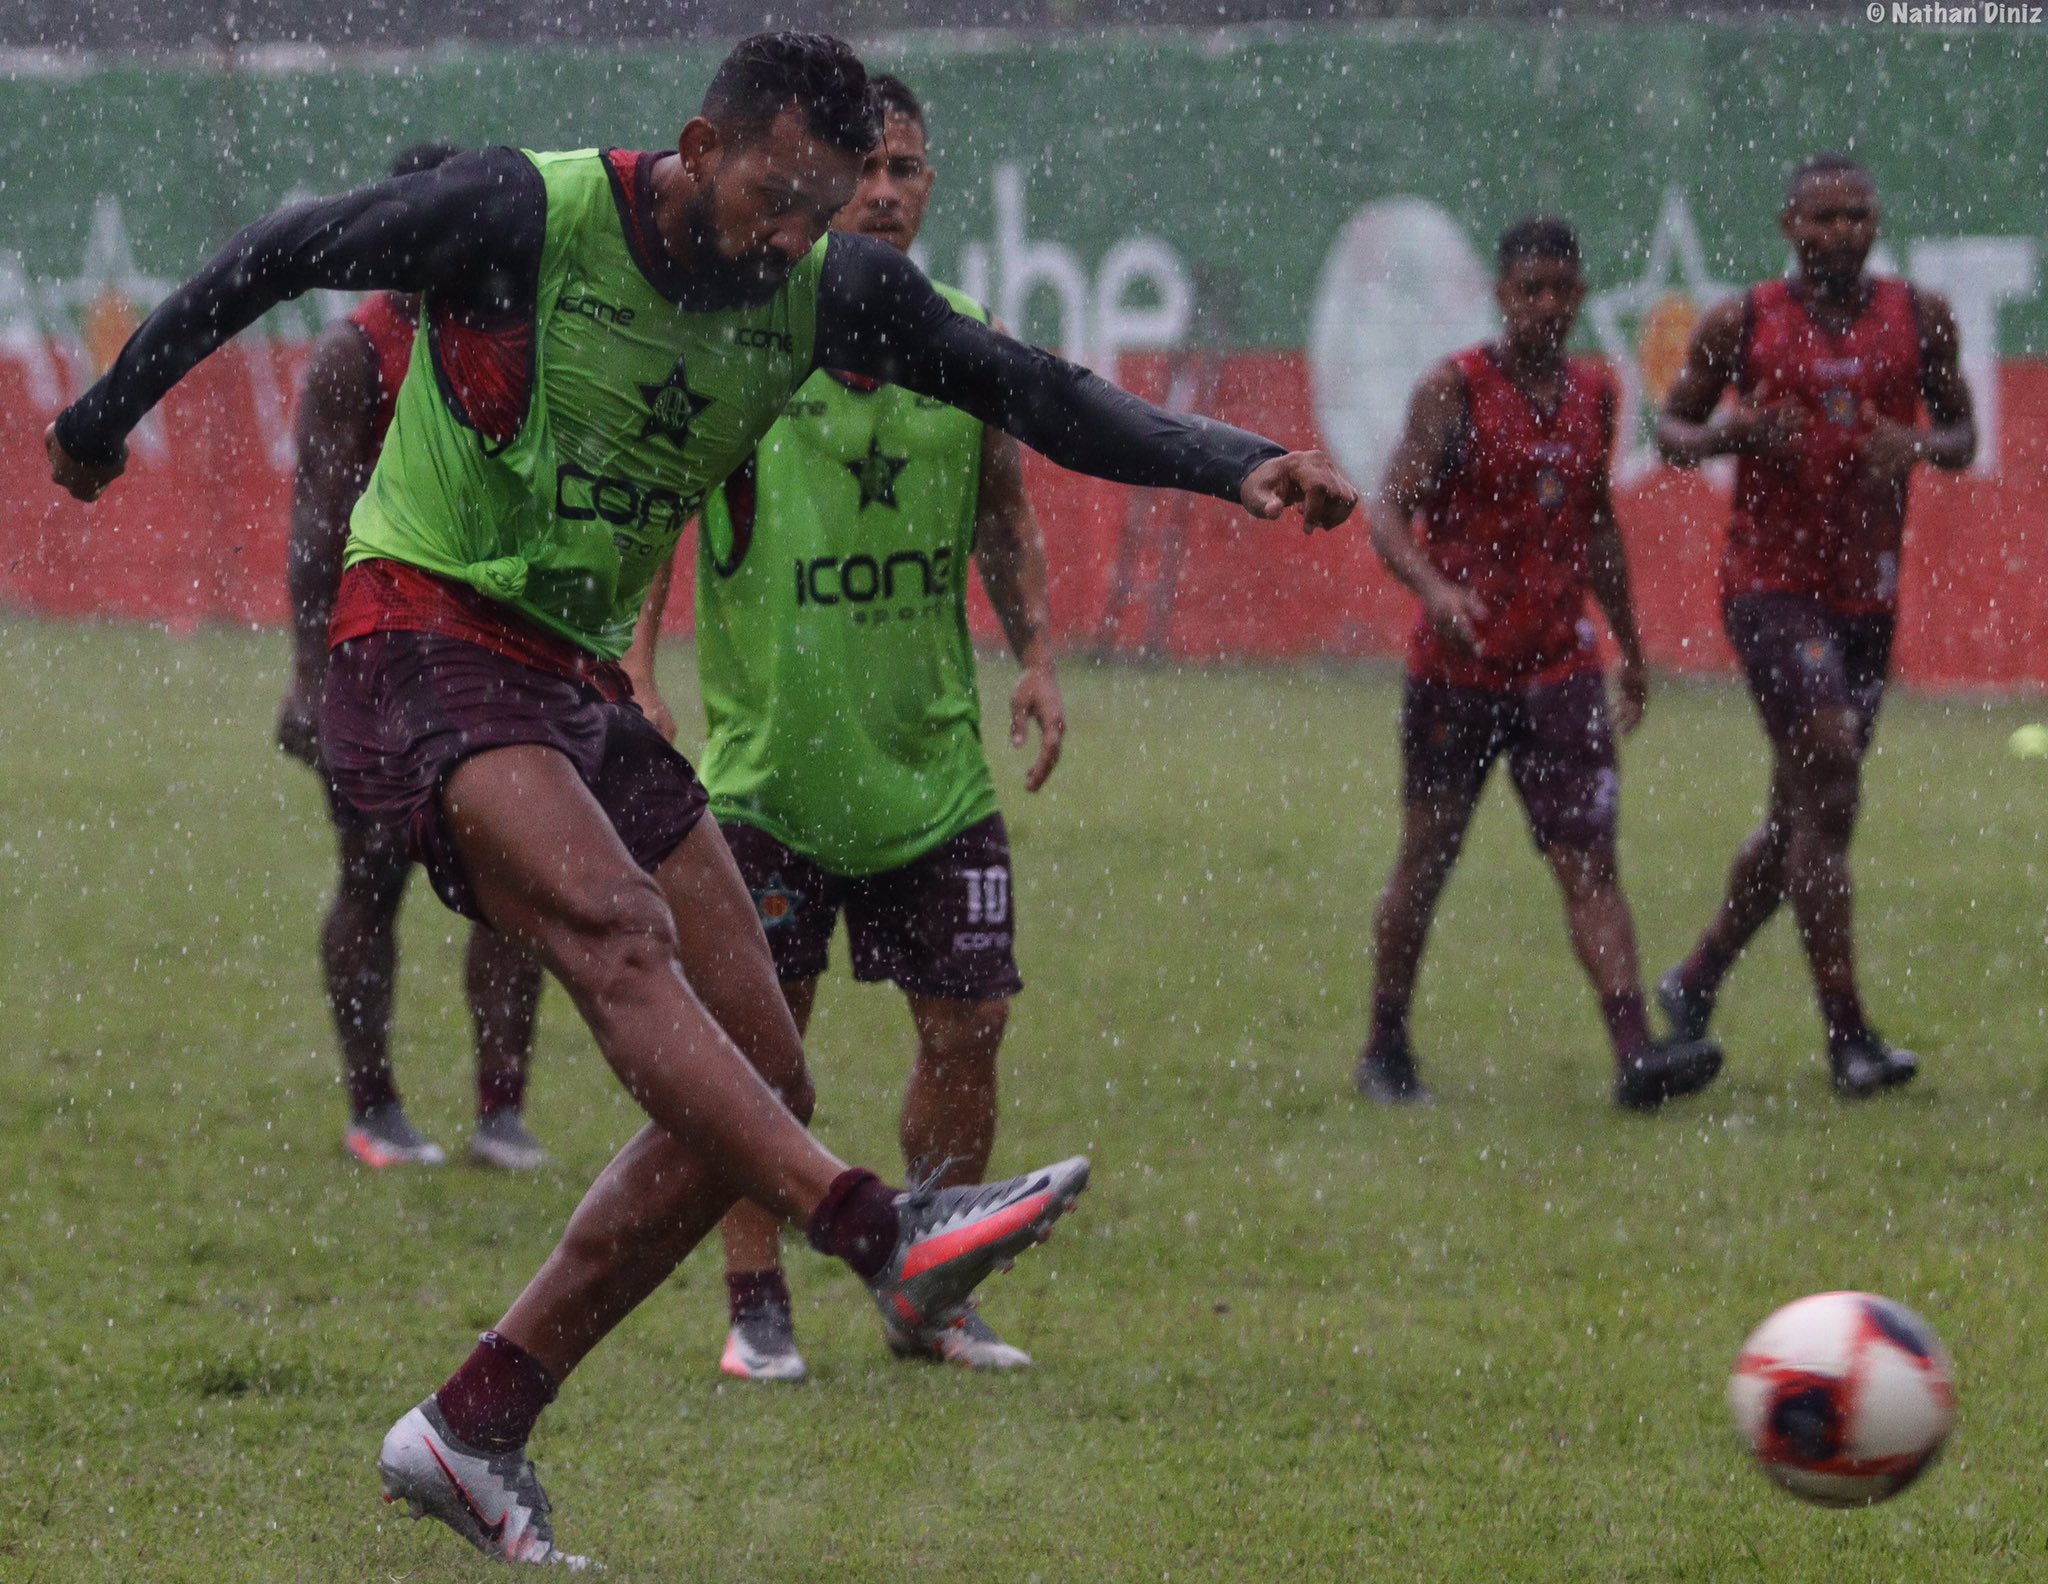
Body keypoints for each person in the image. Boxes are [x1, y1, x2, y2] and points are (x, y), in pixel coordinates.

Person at [46, 33, 1356, 1567]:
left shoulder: (832, 287)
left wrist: (1235, 460)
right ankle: (884, 1232)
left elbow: (1031, 389)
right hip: (418, 630)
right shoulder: (523, 215)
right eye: (777, 199)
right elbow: (285, 250)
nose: (796, 237)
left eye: (830, 204)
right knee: (613, 931)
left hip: (574, 678)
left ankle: (476, 1423)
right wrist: (102, 411)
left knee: (764, 1079)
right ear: (700, 146)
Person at [626, 74, 1065, 1379]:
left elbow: (1003, 508)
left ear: (930, 190)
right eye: (865, 166)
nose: (885, 189)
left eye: (909, 169)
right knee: (763, 1053)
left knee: (971, 1028)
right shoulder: (746, 334)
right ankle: (756, 1303)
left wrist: (1038, 650)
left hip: (931, 770)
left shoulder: (969, 342)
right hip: (767, 777)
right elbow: (660, 504)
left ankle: (930, 1283)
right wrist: (641, 670)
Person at [1356, 217, 1723, 1112]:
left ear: (1583, 294)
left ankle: (1635, 1055)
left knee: (1588, 863)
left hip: (1561, 668)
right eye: (1531, 290)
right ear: (1501, 296)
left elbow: (1596, 522)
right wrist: (1439, 592)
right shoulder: (1456, 391)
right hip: (1460, 670)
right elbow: (1388, 516)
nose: (1548, 306)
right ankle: (1385, 1044)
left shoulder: (1597, 391)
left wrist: (1630, 646)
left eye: (1563, 289)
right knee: (1427, 860)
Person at [1653, 154, 1975, 1097]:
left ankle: (1696, 977)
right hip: (1772, 589)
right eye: (1825, 218)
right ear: (1790, 226)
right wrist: (1728, 438)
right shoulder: (1743, 320)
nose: (1843, 233)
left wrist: (1913, 444)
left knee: (1804, 811)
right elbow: (1670, 431)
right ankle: (1849, 1038)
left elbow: (1963, 438)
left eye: (1859, 217)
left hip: (1864, 598)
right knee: (1830, 770)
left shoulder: (1920, 317)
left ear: (1876, 225)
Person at [274, 141, 550, 1173]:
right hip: (376, 659)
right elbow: (316, 525)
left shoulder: (517, 339)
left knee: (517, 883)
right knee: (373, 875)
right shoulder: (360, 351)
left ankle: (500, 1111)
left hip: (492, 656)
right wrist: (311, 677)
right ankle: (374, 1105)